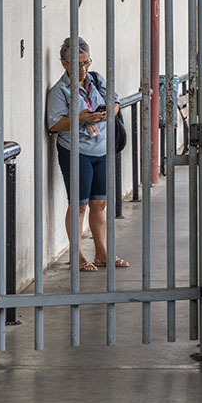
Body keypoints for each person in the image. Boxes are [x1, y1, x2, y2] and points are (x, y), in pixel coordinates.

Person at [46, 37, 129, 272]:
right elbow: (53, 125)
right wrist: (81, 118)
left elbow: (115, 101)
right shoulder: (59, 91)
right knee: (79, 205)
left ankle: (102, 253)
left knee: (99, 203)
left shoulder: (96, 79)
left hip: (101, 149)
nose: (83, 68)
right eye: (77, 64)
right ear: (64, 64)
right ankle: (78, 256)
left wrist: (108, 112)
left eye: (86, 62)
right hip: (76, 151)